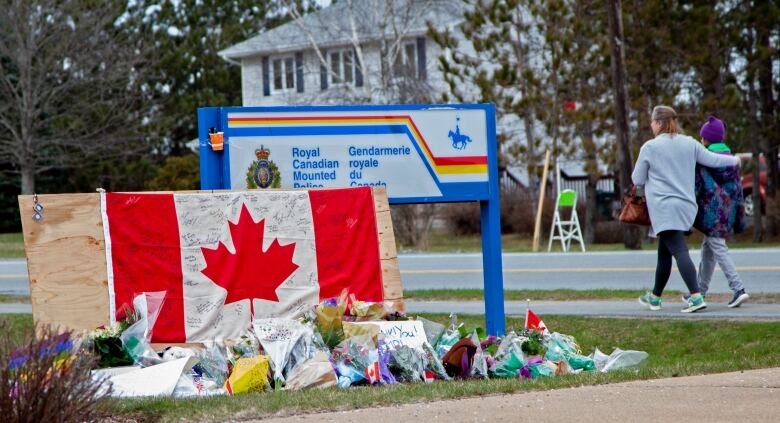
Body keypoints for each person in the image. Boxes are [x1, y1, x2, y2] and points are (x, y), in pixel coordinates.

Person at [632, 106, 739, 313]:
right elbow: (713, 160)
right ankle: (655, 297)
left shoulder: (650, 148)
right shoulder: (689, 143)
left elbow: (637, 179)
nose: (651, 125)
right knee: (665, 253)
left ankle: (696, 296)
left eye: (653, 122)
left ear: (660, 123)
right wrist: (734, 161)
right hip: (686, 207)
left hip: (664, 207)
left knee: (679, 250)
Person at [688, 116, 749, 307]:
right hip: (727, 210)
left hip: (712, 212)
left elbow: (698, 186)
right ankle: (699, 291)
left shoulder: (706, 160)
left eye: (702, 138)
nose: (700, 141)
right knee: (708, 250)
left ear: (706, 139)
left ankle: (738, 288)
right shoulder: (730, 160)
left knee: (719, 249)